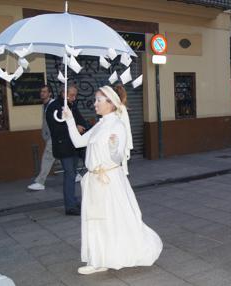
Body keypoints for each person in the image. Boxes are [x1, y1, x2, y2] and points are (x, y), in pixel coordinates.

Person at [62, 85, 162, 275]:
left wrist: (115, 147)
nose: (95, 104)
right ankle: (97, 259)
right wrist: (69, 120)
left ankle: (109, 257)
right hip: (94, 180)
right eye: (95, 100)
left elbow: (117, 158)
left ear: (110, 103)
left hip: (108, 180)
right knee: (94, 220)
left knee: (110, 219)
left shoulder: (117, 126)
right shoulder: (100, 124)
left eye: (99, 100)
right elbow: (78, 142)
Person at [46, 85, 87, 215]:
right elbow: (56, 128)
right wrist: (75, 127)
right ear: (63, 93)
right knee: (70, 175)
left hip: (74, 146)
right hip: (64, 147)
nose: (74, 98)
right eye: (72, 95)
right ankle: (70, 206)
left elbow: (80, 119)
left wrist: (88, 127)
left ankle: (73, 201)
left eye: (75, 95)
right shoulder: (54, 107)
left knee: (73, 175)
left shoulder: (71, 105)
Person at [27, 85, 56, 191]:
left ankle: (40, 182)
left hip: (54, 137)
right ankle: (74, 174)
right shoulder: (45, 105)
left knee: (47, 158)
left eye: (44, 92)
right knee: (63, 156)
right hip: (51, 137)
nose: (42, 93)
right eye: (41, 91)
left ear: (50, 93)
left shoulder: (53, 105)